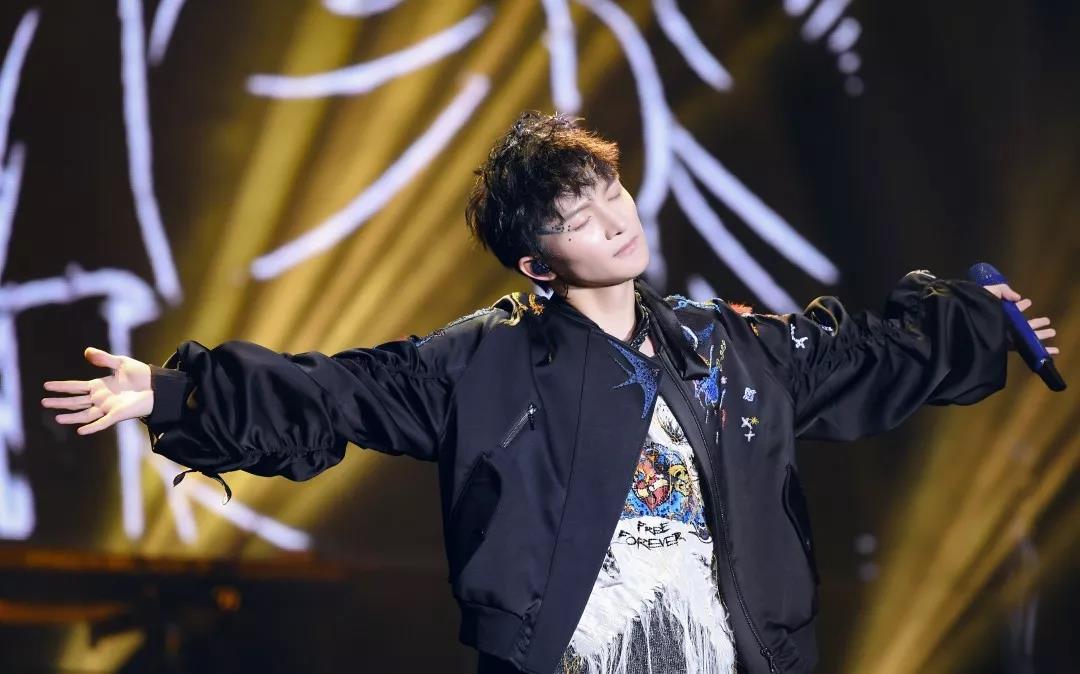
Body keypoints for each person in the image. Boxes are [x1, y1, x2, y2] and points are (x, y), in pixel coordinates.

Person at [41, 111, 1058, 674]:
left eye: (610, 191)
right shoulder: (484, 363)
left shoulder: (723, 345)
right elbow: (339, 392)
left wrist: (984, 320)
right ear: (537, 262)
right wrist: (172, 395)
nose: (614, 220)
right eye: (578, 216)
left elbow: (860, 357)